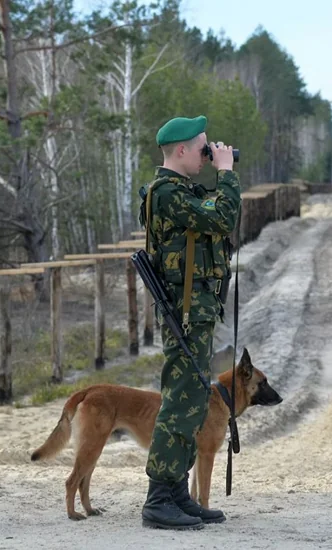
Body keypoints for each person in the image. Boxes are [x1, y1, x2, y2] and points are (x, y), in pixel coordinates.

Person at [138, 115, 241, 530]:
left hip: (194, 310)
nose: (208, 154)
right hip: (185, 312)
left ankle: (177, 492)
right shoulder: (166, 193)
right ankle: (159, 497)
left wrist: (220, 171)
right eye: (202, 147)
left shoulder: (182, 192)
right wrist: (227, 174)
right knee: (180, 402)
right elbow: (221, 218)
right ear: (181, 150)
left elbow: (212, 218)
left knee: (194, 400)